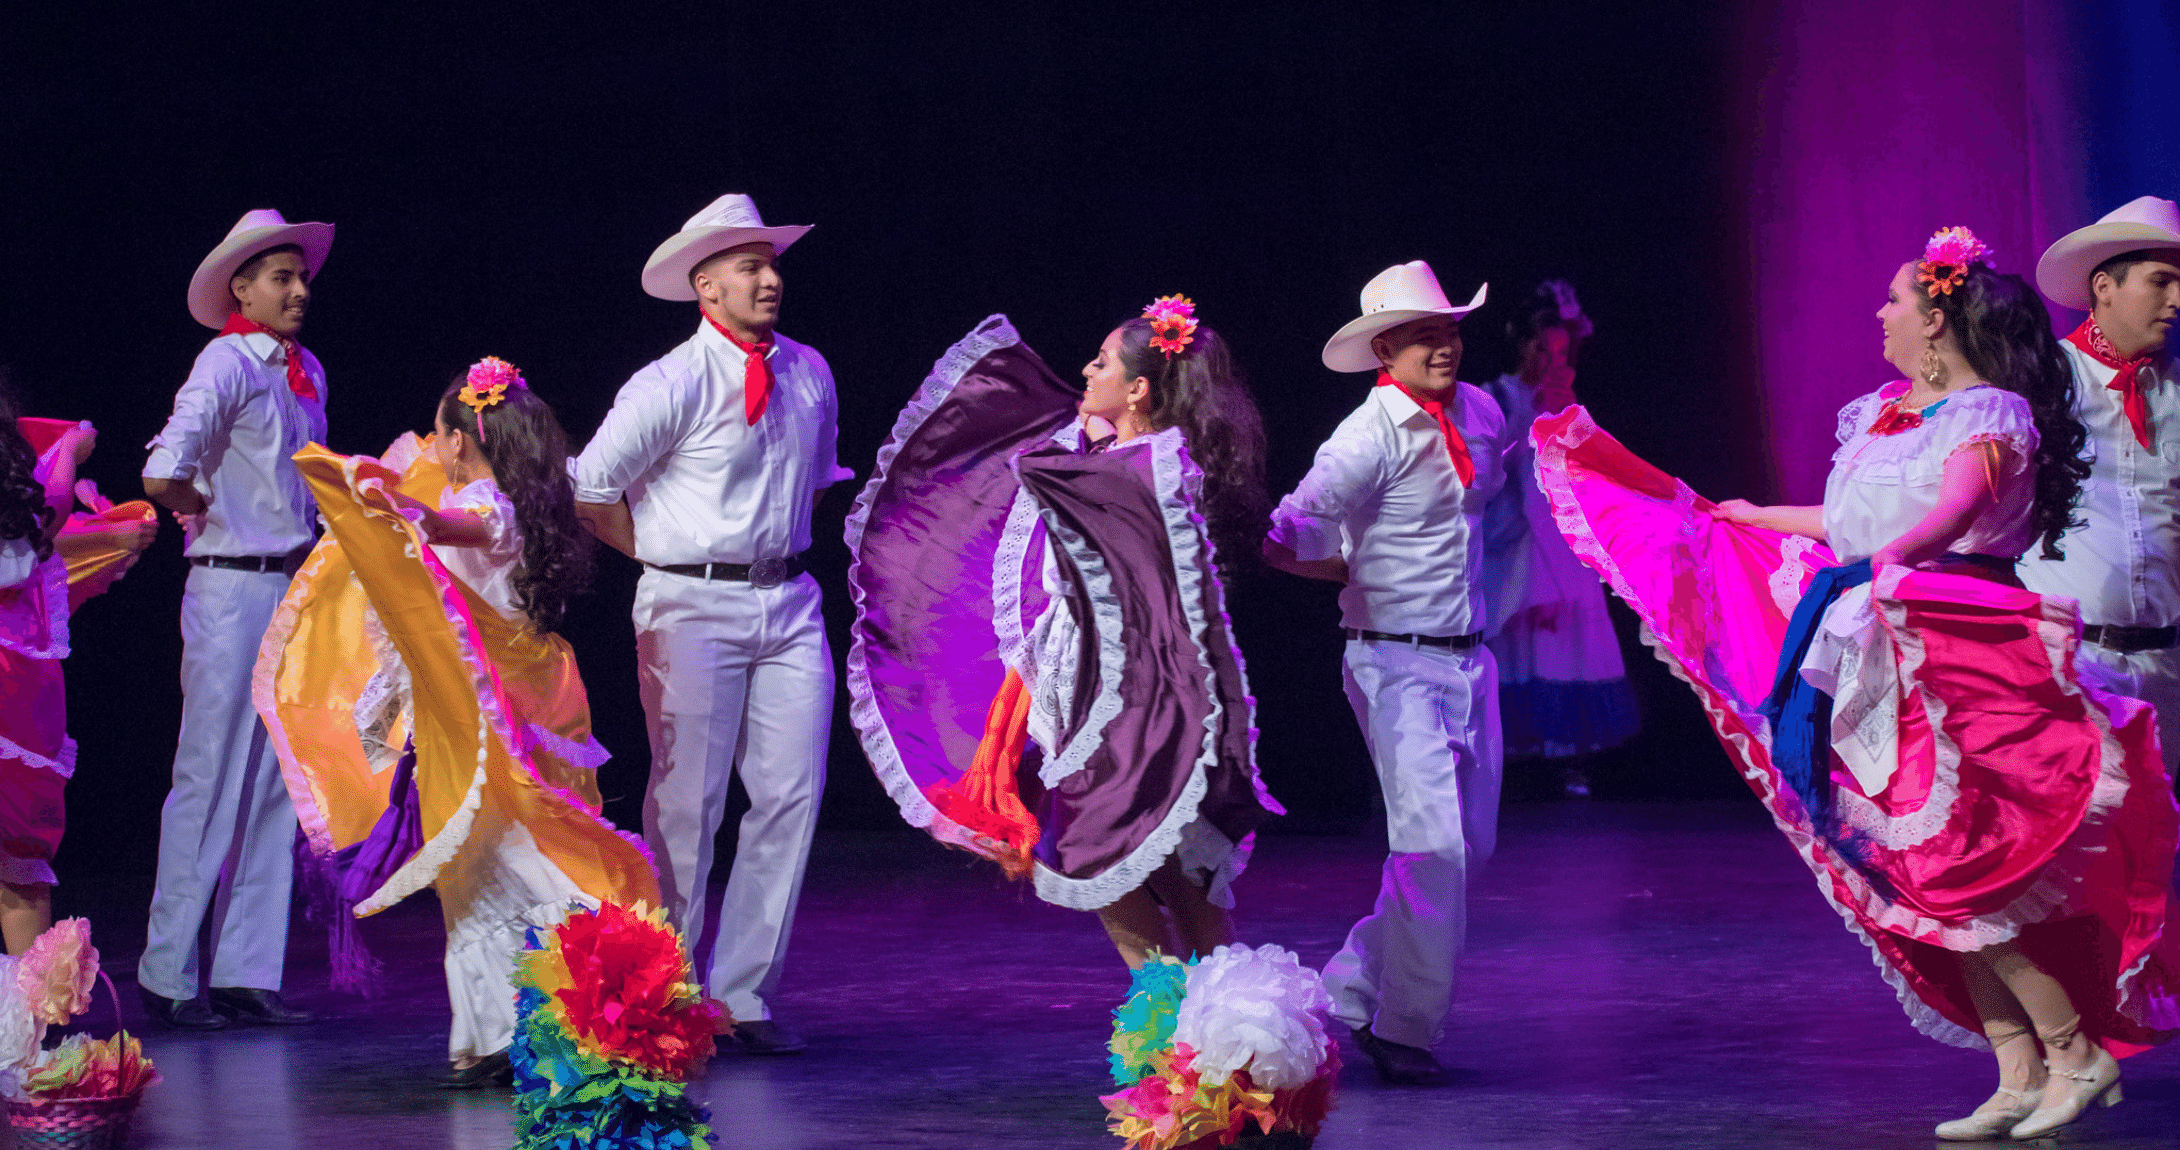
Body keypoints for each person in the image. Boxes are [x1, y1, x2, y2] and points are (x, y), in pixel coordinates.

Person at [1543, 227, 2179, 1141]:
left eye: (1895, 301)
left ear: (1936, 321)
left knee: (1957, 866)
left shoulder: (1987, 413)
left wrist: (1888, 562)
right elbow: (1852, 523)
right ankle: (2016, 1068)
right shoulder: (1884, 414)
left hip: (1959, 646)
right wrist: (1766, 517)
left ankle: (2074, 1051)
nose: (1880, 315)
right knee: (1905, 870)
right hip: (1880, 640)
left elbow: (1957, 506)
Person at [257, 358, 660, 1086]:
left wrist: (389, 504)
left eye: (438, 435)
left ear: (457, 441)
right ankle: (486, 1039)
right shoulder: (527, 499)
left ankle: (594, 993)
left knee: (506, 861)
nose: (429, 447)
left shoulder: (491, 508)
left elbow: (445, 523)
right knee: (471, 871)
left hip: (489, 715)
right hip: (496, 705)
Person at [846, 301, 1283, 969]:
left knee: (1102, 859)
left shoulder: (1136, 476)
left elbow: (1131, 580)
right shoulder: (1141, 462)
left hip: (1125, 707)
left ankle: (1176, 1040)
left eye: (1102, 362)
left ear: (1138, 389)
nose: (1086, 369)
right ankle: (1219, 1036)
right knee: (1168, 868)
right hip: (1128, 697)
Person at [573, 194, 851, 1055]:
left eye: (771, 265)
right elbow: (589, 490)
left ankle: (744, 996)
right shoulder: (668, 383)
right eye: (748, 267)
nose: (768, 280)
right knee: (688, 802)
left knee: (789, 795)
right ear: (706, 286)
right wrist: (661, 556)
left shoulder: (809, 370)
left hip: (789, 599)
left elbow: (812, 481)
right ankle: (668, 987)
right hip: (691, 603)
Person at [1263, 260, 1507, 1086]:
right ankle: (1405, 1032)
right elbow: (1285, 531)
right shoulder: (1365, 437)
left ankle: (1357, 987)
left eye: (1451, 330)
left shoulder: (1480, 411)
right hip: (1393, 663)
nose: (1445, 346)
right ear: (1385, 348)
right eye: (1425, 334)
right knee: (1431, 846)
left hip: (1472, 659)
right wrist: (1351, 572)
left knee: (1464, 849)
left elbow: (1484, 497)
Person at [139, 209, 333, 1030]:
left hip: (291, 589)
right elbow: (161, 468)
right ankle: (168, 973)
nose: (298, 290)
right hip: (228, 588)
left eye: (301, 277)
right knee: (210, 776)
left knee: (275, 783)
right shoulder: (225, 361)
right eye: (281, 278)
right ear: (241, 289)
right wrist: (198, 509)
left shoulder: (306, 369)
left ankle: (247, 971)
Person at [2020, 196, 2180, 771]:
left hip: (2166, 668)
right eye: (2161, 281)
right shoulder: (2041, 381)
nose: (2177, 301)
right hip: (2072, 660)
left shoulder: (2176, 393)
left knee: (2154, 848)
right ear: (2104, 286)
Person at [1479, 280, 1638, 796]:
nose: (1549, 360)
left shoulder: (1566, 401)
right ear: (1521, 344)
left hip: (1558, 533)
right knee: (1516, 642)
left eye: (1560, 352)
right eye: (1540, 348)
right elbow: (1482, 473)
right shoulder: (1493, 398)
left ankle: (1568, 759)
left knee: (1565, 642)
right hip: (1512, 535)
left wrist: (1564, 419)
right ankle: (1513, 761)